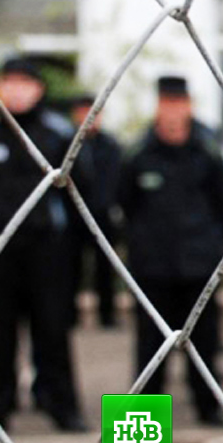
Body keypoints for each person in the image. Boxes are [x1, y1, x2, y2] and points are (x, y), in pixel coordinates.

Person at [0, 57, 88, 436]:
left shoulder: (58, 133)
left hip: (47, 249)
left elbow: (80, 188)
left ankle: (62, 407)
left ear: (38, 88)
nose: (16, 90)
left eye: (24, 83)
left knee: (52, 329)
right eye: (9, 82)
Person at [118, 75, 223, 426]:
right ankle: (141, 431)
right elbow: (125, 206)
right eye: (166, 104)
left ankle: (208, 410)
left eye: (178, 104)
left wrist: (210, 247)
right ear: (157, 107)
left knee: (205, 343)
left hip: (199, 267)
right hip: (152, 270)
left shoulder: (207, 152)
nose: (172, 112)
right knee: (148, 347)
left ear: (189, 106)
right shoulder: (138, 154)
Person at [67, 94, 122, 329]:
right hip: (73, 216)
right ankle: (70, 316)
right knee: (71, 268)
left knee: (105, 268)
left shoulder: (110, 145)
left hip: (102, 214)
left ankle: (107, 315)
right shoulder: (67, 143)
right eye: (83, 112)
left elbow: (117, 180)